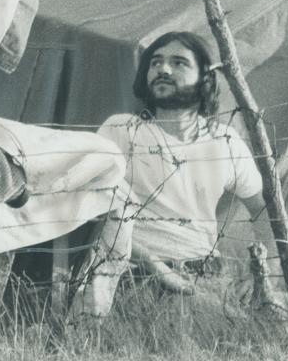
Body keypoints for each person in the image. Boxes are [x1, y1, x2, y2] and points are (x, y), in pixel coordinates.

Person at [87, 31, 270, 319]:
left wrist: (262, 274)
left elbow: (263, 210)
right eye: (156, 62)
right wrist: (153, 265)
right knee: (221, 323)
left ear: (205, 79)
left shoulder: (225, 140)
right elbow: (92, 212)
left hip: (211, 275)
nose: (163, 69)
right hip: (137, 276)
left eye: (178, 63)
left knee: (283, 320)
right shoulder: (122, 130)